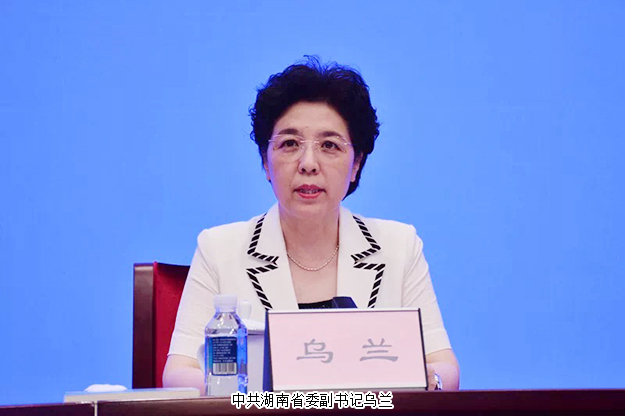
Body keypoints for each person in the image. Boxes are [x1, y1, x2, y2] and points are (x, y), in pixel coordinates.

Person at [163, 57, 460, 391]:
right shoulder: (220, 250)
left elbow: (445, 369)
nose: (308, 164)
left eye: (329, 145)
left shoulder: (398, 247)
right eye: (290, 144)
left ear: (356, 164)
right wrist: (258, 396)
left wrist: (426, 382)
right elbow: (178, 373)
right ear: (265, 161)